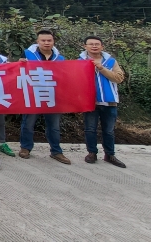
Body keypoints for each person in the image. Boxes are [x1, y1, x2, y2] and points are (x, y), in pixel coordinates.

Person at [18, 29, 71, 164]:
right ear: (38, 41)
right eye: (43, 40)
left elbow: (64, 77)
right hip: (33, 94)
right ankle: (25, 148)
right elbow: (18, 71)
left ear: (53, 41)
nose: (46, 43)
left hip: (53, 95)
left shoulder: (60, 58)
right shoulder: (28, 54)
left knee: (54, 126)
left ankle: (56, 151)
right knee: (28, 123)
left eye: (49, 40)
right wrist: (19, 63)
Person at [80, 36, 126, 168]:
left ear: (102, 47)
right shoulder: (80, 62)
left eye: (97, 44)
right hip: (90, 102)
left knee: (109, 131)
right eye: (91, 44)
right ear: (85, 46)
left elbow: (119, 78)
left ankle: (110, 155)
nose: (94, 46)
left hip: (109, 102)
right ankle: (92, 153)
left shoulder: (111, 61)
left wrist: (101, 68)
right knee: (90, 129)